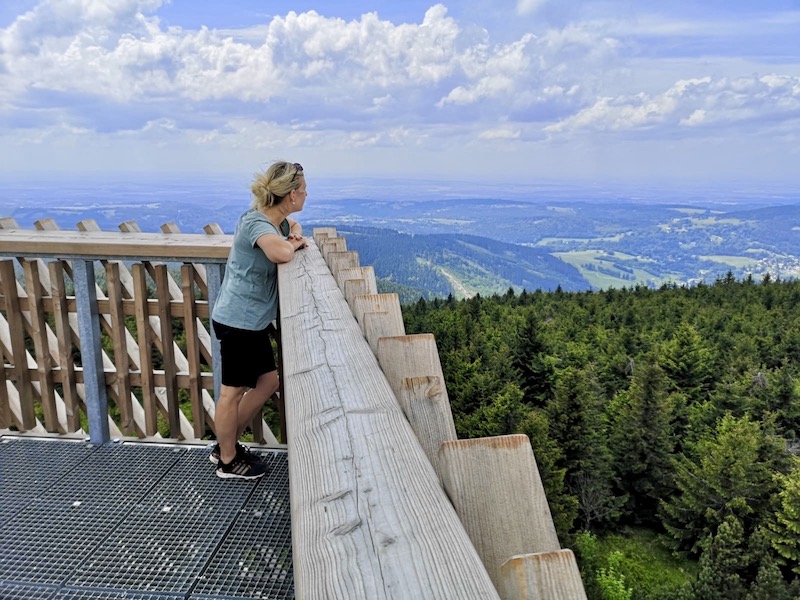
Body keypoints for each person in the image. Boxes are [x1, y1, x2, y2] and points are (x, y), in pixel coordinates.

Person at [210, 160, 308, 479]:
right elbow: (280, 253)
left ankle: (227, 443)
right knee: (231, 393)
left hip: (251, 323)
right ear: (291, 196)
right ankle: (227, 460)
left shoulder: (272, 222)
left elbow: (287, 238)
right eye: (304, 190)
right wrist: (292, 242)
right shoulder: (257, 224)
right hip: (239, 322)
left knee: (268, 382)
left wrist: (292, 233)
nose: (307, 195)